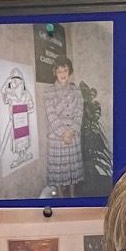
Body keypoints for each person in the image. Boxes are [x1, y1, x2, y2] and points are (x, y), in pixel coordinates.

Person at [44, 56, 84, 197]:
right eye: (59, 70)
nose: (62, 74)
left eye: (65, 70)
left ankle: (73, 197)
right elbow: (51, 114)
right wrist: (63, 133)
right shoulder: (48, 91)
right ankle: (61, 198)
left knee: (72, 169)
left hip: (73, 136)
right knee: (59, 172)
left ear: (69, 71)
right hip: (56, 138)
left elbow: (79, 112)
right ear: (55, 72)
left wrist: (72, 131)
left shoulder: (76, 90)